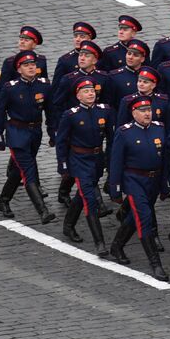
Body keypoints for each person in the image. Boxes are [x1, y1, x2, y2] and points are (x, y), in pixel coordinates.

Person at [107, 98, 170, 280]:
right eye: (142, 111)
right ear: (134, 113)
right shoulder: (124, 132)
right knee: (145, 218)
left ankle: (117, 246)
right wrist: (115, 188)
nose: (147, 114)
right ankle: (155, 264)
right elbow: (116, 162)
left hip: (154, 180)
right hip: (134, 180)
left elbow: (164, 160)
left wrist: (164, 185)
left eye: (149, 110)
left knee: (135, 216)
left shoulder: (159, 128)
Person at [0, 52, 54, 224]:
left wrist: (52, 131)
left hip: (35, 133)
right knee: (28, 170)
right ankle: (43, 211)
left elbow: (50, 111)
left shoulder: (44, 85)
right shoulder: (10, 88)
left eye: (33, 64)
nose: (31, 67)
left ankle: (4, 200)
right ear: (19, 70)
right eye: (26, 65)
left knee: (19, 170)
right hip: (17, 133)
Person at [54, 78, 114, 256]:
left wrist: (109, 160)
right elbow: (61, 142)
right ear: (78, 95)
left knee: (82, 194)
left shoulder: (104, 111)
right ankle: (100, 243)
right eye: (86, 91)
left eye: (92, 91)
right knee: (89, 199)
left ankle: (68, 225)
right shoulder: (71, 115)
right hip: (79, 161)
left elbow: (111, 138)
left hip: (97, 159)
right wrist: (63, 164)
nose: (90, 94)